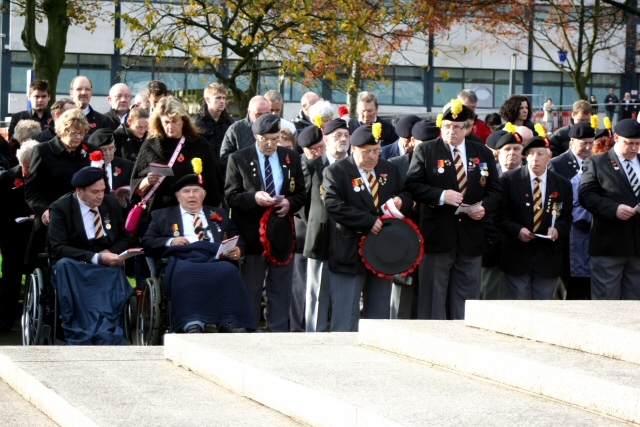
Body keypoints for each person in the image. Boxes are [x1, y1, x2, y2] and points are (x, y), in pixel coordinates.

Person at [404, 100, 501, 320]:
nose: (451, 131)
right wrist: (441, 196)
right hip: (438, 234)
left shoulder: (482, 152)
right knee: (432, 298)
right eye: (446, 126)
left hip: (471, 234)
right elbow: (412, 185)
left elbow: (496, 190)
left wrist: (483, 207)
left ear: (468, 128)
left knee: (467, 298)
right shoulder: (427, 150)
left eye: (457, 127)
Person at [323, 124, 412, 331]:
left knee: (379, 314)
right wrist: (367, 221)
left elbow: (407, 194)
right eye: (366, 152)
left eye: (376, 151)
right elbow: (333, 205)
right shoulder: (336, 171)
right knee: (346, 314)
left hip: (382, 252)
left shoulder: (388, 169)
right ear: (353, 149)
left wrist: (401, 201)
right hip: (349, 252)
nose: (372, 156)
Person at [142, 174, 255, 333]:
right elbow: (147, 242)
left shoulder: (220, 214)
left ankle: (229, 319)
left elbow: (238, 238)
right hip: (183, 258)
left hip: (215, 257)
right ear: (178, 196)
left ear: (204, 194)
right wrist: (170, 241)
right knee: (186, 272)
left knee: (229, 271)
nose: (191, 195)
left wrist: (239, 250)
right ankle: (192, 321)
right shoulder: (162, 216)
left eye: (196, 191)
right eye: (186, 191)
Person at [225, 114, 306, 331]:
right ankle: (251, 330)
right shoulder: (239, 158)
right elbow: (231, 196)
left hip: (281, 234)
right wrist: (254, 198)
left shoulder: (291, 157)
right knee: (251, 287)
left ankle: (277, 331)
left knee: (280, 287)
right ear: (255, 136)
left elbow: (300, 194)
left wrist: (289, 203)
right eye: (265, 139)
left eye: (275, 138)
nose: (270, 144)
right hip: (252, 235)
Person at [47, 167, 132, 345]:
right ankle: (81, 327)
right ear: (79, 191)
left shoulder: (110, 203)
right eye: (95, 192)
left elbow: (124, 236)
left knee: (115, 270)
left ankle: (107, 327)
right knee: (64, 265)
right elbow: (58, 247)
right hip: (75, 263)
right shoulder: (61, 208)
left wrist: (111, 252)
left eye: (102, 190)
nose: (100, 196)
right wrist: (96, 257)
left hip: (106, 264)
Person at [130, 97, 224, 235]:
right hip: (159, 216)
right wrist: (147, 181)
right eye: (166, 122)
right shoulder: (150, 145)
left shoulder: (199, 144)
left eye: (174, 121)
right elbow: (136, 188)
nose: (170, 126)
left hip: (193, 216)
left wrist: (213, 215)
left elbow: (213, 183)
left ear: (183, 121)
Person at [495, 137, 573, 300]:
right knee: (518, 306)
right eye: (530, 154)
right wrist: (517, 231)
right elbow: (498, 215)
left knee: (543, 308)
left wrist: (557, 229)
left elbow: (566, 217)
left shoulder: (562, 184)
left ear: (549, 156)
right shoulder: (508, 180)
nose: (535, 158)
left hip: (548, 256)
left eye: (540, 154)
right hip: (517, 253)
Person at [24, 109, 98, 267]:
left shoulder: (90, 151)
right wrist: (44, 209)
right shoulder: (43, 151)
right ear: (62, 130)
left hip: (83, 217)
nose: (78, 137)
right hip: (52, 218)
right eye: (73, 133)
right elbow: (32, 190)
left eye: (82, 133)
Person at [579, 119, 640, 300]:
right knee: (606, 302)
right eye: (629, 143)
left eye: (637, 144)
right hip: (609, 245)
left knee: (634, 304)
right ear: (616, 138)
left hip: (638, 247)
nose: (633, 148)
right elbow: (586, 196)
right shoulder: (597, 163)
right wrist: (613, 209)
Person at [301, 119, 350, 332]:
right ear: (326, 139)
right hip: (320, 237)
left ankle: (342, 334)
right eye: (337, 136)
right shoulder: (312, 166)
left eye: (346, 135)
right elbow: (300, 203)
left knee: (346, 293)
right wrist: (315, 221)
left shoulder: (355, 167)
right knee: (317, 292)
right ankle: (315, 336)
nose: (343, 140)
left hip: (349, 238)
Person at [290, 125, 326, 332]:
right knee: (301, 284)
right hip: (304, 231)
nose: (318, 152)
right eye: (313, 150)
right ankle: (298, 327)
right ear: (304, 150)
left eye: (320, 147)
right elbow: (301, 202)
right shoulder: (302, 166)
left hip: (325, 233)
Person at [0, 140, 38, 331]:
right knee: (11, 277)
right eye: (27, 168)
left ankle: (35, 316)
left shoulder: (45, 175)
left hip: (37, 234)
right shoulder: (7, 178)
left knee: (36, 272)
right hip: (12, 235)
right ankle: (7, 318)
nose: (30, 172)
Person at [481, 130, 523, 300]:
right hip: (492, 247)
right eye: (507, 149)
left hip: (522, 248)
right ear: (498, 153)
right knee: (489, 294)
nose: (512, 153)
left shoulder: (532, 177)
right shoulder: (486, 175)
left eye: (516, 149)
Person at [219, 96, 271, 171]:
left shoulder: (277, 128)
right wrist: (245, 166)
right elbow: (225, 157)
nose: (263, 118)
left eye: (266, 114)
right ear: (249, 111)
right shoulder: (235, 129)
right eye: (258, 115)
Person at [192, 82, 235, 167]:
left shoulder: (230, 122)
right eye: (218, 98)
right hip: (205, 169)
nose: (222, 101)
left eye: (224, 98)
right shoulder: (196, 122)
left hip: (225, 170)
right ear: (207, 99)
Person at [88, 129, 134, 204]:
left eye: (111, 148)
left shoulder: (127, 165)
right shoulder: (88, 166)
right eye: (104, 150)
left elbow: (133, 195)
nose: (108, 153)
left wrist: (124, 203)